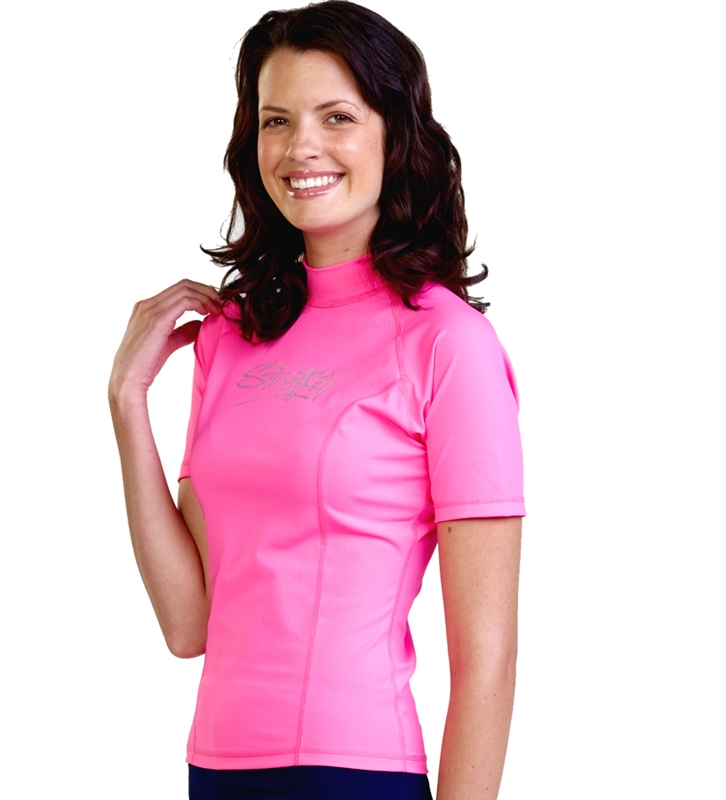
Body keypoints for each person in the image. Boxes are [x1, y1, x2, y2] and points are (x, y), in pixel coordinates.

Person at [108, 2, 525, 798]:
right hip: (215, 769)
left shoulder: (448, 344)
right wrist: (128, 403)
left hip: (355, 772)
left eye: (337, 116)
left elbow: (488, 659)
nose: (301, 146)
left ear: (395, 137)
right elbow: (189, 624)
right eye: (277, 120)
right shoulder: (232, 335)